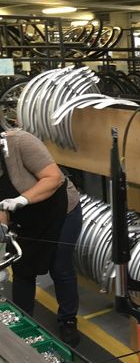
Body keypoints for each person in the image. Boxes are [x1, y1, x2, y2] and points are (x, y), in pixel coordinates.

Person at [0, 129, 82, 347]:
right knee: (22, 267)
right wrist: (2, 229)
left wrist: (22, 200)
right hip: (25, 219)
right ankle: (22, 324)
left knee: (59, 266)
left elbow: (53, 178)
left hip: (60, 210)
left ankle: (67, 320)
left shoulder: (19, 142)